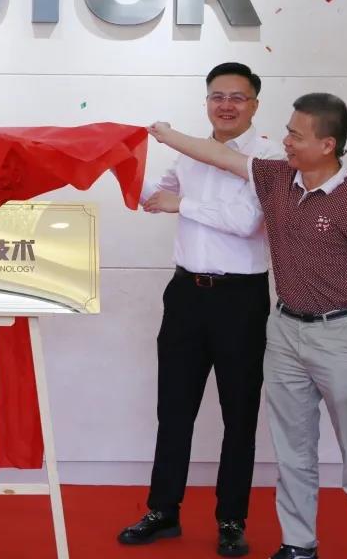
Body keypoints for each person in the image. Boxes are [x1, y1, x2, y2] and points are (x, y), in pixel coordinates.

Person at [147, 92, 347, 559]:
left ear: (327, 144)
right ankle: (299, 544)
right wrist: (166, 134)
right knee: (293, 449)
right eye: (286, 132)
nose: (285, 142)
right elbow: (218, 155)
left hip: (339, 334)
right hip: (283, 331)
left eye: (295, 135)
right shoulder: (277, 178)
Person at [119, 63, 279, 557]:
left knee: (239, 414)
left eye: (237, 97)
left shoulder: (268, 156)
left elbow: (246, 222)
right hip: (185, 295)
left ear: (254, 104)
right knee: (174, 409)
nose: (226, 105)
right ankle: (163, 511)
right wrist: (115, 162)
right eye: (217, 96)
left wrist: (181, 206)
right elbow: (156, 197)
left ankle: (231, 519)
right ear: (206, 101)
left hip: (240, 300)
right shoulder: (187, 157)